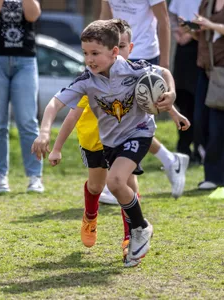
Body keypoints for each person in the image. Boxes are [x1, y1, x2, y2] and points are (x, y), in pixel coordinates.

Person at [32, 20, 178, 266]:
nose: (89, 59)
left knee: (118, 180)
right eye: (85, 53)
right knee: (104, 185)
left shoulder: (134, 69)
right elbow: (54, 104)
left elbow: (164, 72)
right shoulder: (86, 80)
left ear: (114, 52)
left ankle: (137, 231)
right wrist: (44, 133)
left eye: (95, 53)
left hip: (139, 133)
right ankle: (135, 229)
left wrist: (171, 95)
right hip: (107, 143)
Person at [100, 0, 190, 199]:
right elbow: (103, 19)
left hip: (143, 55)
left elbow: (164, 21)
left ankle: (122, 183)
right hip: (115, 56)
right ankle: (168, 161)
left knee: (129, 121)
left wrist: (164, 66)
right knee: (121, 119)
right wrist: (98, 53)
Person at [0, 0, 44, 194]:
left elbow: (33, 15)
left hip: (25, 60)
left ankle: (35, 177)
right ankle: (1, 176)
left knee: (27, 121)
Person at [186, 0, 224, 190]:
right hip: (205, 69)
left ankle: (217, 177)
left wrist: (211, 24)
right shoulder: (207, 3)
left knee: (219, 125)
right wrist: (190, 29)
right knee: (200, 122)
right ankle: (220, 169)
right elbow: (205, 35)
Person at [169, 0, 202, 164]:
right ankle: (183, 149)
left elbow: (209, 21)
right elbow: (173, 15)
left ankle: (199, 149)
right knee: (183, 101)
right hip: (182, 49)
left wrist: (189, 33)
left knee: (199, 103)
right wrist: (178, 32)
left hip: (199, 46)